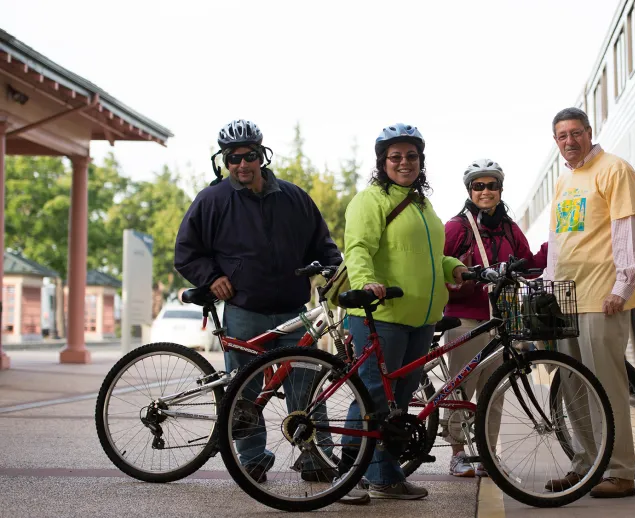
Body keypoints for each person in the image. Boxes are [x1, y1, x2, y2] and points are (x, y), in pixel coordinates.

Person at [174, 119, 342, 484]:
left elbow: (324, 246)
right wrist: (212, 277)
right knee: (245, 392)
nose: (241, 164)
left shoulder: (294, 198)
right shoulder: (211, 200)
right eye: (233, 158)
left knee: (307, 386)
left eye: (249, 156)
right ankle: (252, 459)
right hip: (244, 310)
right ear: (224, 161)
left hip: (294, 311)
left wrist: (335, 274)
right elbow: (186, 252)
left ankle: (316, 455)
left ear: (261, 155)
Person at [339, 123, 467, 501]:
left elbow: (429, 256)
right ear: (382, 162)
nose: (404, 162)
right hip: (382, 315)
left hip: (420, 319)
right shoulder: (371, 200)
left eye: (411, 156)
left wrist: (451, 268)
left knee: (400, 401)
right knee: (374, 397)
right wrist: (366, 282)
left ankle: (385, 476)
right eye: (395, 157)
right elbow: (358, 247)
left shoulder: (422, 203)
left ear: (420, 160)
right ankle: (346, 476)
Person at [542, 107, 635, 498]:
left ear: (588, 132)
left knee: (606, 384)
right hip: (567, 298)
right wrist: (549, 287)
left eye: (575, 133)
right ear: (556, 142)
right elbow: (557, 240)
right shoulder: (564, 180)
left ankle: (619, 471)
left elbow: (625, 227)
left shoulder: (614, 170)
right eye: (561, 136)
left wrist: (622, 284)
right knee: (573, 386)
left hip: (603, 299)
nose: (569, 141)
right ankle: (585, 464)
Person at [441, 158, 538, 477]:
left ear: (500, 189)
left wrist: (557, 247)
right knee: (460, 388)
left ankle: (487, 455)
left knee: (494, 391)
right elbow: (438, 266)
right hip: (464, 320)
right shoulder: (457, 227)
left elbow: (529, 263)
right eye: (478, 186)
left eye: (491, 185)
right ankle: (457, 454)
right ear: (469, 190)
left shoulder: (510, 228)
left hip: (502, 321)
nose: (486, 191)